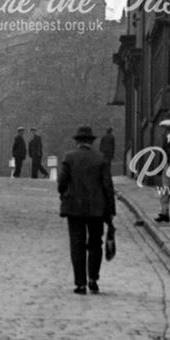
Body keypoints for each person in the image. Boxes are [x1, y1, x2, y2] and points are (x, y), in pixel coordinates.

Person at [58, 124, 116, 295]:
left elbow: (61, 182)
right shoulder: (100, 159)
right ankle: (93, 279)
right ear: (91, 141)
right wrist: (110, 211)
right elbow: (108, 187)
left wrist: (64, 197)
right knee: (95, 243)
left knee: (77, 244)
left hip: (74, 208)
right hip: (96, 209)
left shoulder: (69, 157)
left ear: (78, 141)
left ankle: (80, 283)